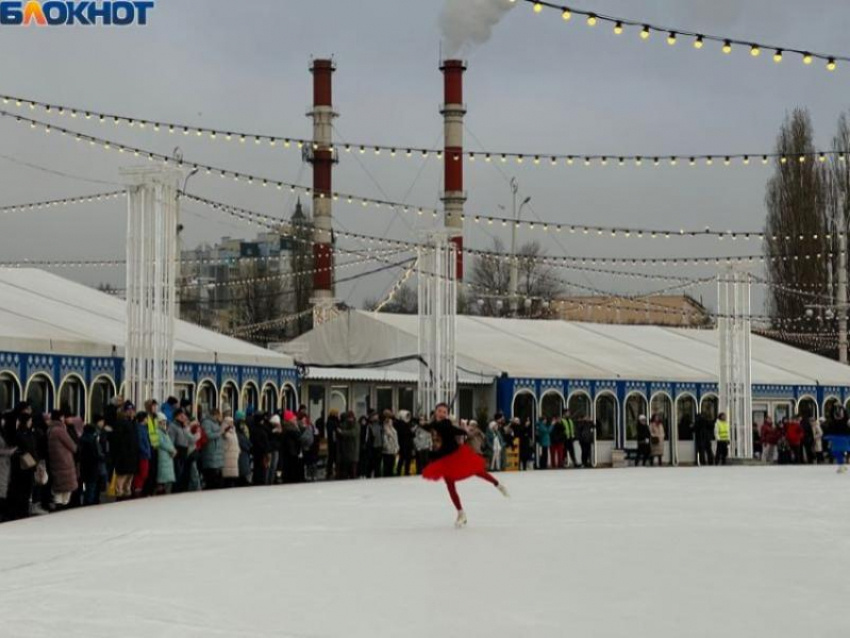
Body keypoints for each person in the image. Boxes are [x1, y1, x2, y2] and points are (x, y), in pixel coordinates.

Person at [422, 403, 509, 528]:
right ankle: (460, 513)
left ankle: (497, 484)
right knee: (450, 486)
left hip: (456, 455)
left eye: (444, 412)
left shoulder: (445, 423)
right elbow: (430, 428)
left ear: (447, 415)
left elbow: (451, 429)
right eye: (440, 411)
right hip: (444, 459)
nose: (441, 413)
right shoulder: (434, 424)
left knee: (477, 471)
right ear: (435, 411)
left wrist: (463, 429)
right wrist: (421, 424)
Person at [7, 414, 37, 520]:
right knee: (22, 490)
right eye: (29, 421)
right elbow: (27, 448)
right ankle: (21, 511)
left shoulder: (26, 433)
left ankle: (23, 510)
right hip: (23, 466)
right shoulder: (21, 434)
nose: (30, 423)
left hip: (27, 465)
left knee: (25, 490)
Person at [47, 410, 78, 509]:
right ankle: (62, 506)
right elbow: (72, 446)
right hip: (64, 462)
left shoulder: (50, 429)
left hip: (55, 462)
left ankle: (58, 505)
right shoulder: (60, 430)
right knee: (66, 489)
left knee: (59, 487)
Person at [110, 402, 139, 501]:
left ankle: (127, 494)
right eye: (128, 410)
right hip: (124, 455)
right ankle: (120, 495)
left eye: (132, 410)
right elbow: (117, 440)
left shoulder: (133, 423)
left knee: (129, 477)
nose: (131, 412)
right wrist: (120, 454)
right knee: (122, 477)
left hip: (132, 455)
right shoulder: (120, 423)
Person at [79, 419, 105, 506]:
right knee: (93, 486)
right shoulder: (93, 440)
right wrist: (102, 458)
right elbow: (97, 454)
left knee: (88, 485)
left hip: (84, 466)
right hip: (94, 466)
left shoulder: (81, 440)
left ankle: (87, 501)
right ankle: (91, 502)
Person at [200, 409, 224, 489]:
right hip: (210, 451)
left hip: (217, 453)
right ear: (216, 415)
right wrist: (220, 433)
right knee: (211, 475)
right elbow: (208, 435)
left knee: (217, 476)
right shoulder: (206, 423)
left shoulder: (216, 423)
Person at [155, 413, 177, 494]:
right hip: (163, 456)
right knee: (163, 479)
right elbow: (161, 443)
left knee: (168, 479)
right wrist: (172, 450)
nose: (164, 424)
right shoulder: (157, 432)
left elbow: (169, 443)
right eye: (162, 422)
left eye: (165, 422)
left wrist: (173, 450)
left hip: (168, 457)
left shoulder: (164, 432)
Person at [132, 412, 152, 497]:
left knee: (144, 473)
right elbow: (140, 442)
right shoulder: (139, 429)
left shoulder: (143, 428)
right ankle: (137, 489)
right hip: (142, 455)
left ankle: (139, 488)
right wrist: (146, 451)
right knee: (142, 473)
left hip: (145, 454)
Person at [337, 411, 361, 480]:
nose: (350, 419)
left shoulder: (356, 425)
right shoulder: (344, 424)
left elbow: (353, 433)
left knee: (353, 471)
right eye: (348, 418)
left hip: (353, 451)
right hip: (345, 452)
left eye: (351, 418)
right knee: (345, 471)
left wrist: (342, 432)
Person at [281, 410, 303, 484]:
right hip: (292, 450)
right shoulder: (291, 428)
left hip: (290, 450)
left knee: (289, 466)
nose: (295, 419)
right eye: (293, 418)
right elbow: (298, 438)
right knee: (292, 467)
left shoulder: (286, 427)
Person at [222, 416, 240, 488]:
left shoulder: (234, 432)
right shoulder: (224, 432)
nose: (232, 424)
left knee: (233, 472)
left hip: (234, 455)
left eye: (232, 422)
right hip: (227, 454)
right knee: (227, 472)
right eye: (230, 422)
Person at [395, 410, 415, 476]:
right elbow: (402, 433)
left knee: (408, 458)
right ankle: (398, 471)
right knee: (402, 458)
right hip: (402, 444)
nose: (408, 418)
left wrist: (412, 432)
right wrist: (410, 432)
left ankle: (407, 471)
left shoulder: (408, 424)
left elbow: (411, 434)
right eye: (406, 416)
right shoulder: (399, 424)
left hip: (408, 443)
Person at [325, 408, 340, 480]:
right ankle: (330, 472)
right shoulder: (332, 422)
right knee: (332, 458)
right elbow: (332, 432)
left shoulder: (331, 421)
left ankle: (331, 472)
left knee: (332, 458)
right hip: (333, 442)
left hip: (332, 442)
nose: (337, 415)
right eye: (336, 413)